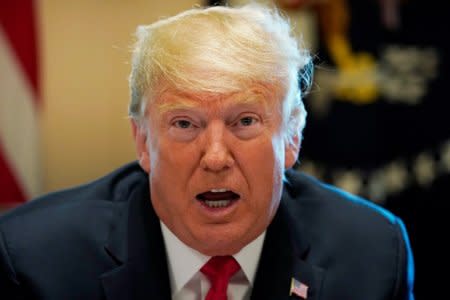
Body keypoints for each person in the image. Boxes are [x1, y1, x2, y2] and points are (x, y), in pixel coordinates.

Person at [0, 4, 414, 300]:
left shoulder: (372, 255)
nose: (215, 157)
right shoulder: (35, 261)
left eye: (245, 122)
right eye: (185, 124)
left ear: (291, 138)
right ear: (143, 142)